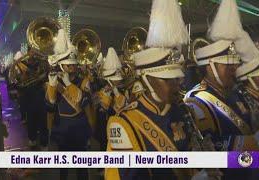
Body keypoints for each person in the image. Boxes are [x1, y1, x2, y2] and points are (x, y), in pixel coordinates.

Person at [105, 0, 212, 179]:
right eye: (168, 80)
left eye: (177, 78)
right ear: (148, 80)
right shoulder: (124, 122)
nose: (177, 84)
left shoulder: (183, 111)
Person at [184, 0, 259, 179]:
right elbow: (209, 150)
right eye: (228, 65)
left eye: (234, 64)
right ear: (211, 67)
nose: (235, 69)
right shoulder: (197, 100)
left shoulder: (233, 95)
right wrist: (257, 148)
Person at [46, 29, 94, 180]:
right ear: (61, 66)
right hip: (62, 130)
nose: (71, 67)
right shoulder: (55, 82)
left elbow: (82, 101)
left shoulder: (83, 81)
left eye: (73, 65)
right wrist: (53, 85)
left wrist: (67, 83)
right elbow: (50, 105)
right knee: (63, 169)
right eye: (68, 65)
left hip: (80, 128)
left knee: (82, 169)